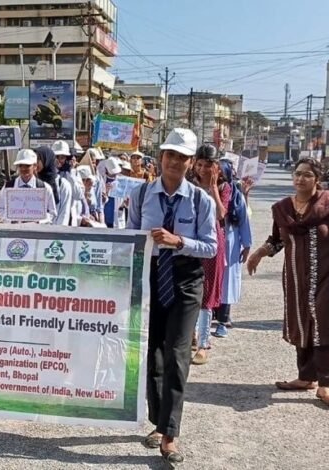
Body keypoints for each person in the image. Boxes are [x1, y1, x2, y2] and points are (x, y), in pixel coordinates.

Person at [247, 158, 329, 407]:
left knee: (325, 324)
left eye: (307, 175)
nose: (301, 179)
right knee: (301, 323)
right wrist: (258, 253)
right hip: (295, 278)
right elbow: (277, 240)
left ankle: (325, 384)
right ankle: (305, 377)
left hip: (328, 277)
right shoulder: (282, 209)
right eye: (298, 174)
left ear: (317, 179)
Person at [138, 128, 217, 465]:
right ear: (161, 157)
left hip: (185, 279)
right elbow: (128, 236)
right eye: (170, 154)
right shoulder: (142, 194)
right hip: (150, 276)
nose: (174, 161)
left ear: (191, 163)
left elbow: (211, 247)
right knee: (153, 351)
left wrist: (179, 241)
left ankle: (171, 433)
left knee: (177, 353)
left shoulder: (201, 200)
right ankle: (158, 421)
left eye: (182, 157)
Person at [189, 145, 230, 365]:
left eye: (208, 165)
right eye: (200, 164)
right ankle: (191, 334)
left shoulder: (224, 187)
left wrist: (213, 188)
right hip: (189, 241)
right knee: (188, 288)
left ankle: (204, 343)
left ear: (216, 166)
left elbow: (221, 214)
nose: (203, 169)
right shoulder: (188, 185)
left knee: (207, 293)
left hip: (212, 243)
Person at [213, 159, 253, 338]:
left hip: (230, 244)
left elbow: (244, 221)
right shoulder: (203, 192)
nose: (217, 176)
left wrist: (247, 245)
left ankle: (223, 321)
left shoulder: (235, 197)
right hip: (209, 243)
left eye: (221, 173)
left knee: (226, 282)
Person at [0, 149, 57, 224]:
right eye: (20, 165)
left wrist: (39, 220)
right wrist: (11, 220)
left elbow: (52, 213)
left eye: (27, 165)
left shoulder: (45, 188)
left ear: (35, 166)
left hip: (36, 230)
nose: (23, 169)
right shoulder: (8, 187)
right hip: (14, 230)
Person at [35, 146, 73, 226]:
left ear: (46, 159)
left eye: (38, 159)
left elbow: (64, 214)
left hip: (55, 230)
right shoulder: (33, 182)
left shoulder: (63, 185)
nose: (35, 163)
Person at [53, 140, 86, 226]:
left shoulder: (74, 173)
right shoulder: (48, 173)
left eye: (62, 157)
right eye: (56, 157)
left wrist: (69, 172)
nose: (59, 160)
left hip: (68, 216)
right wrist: (55, 170)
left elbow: (79, 195)